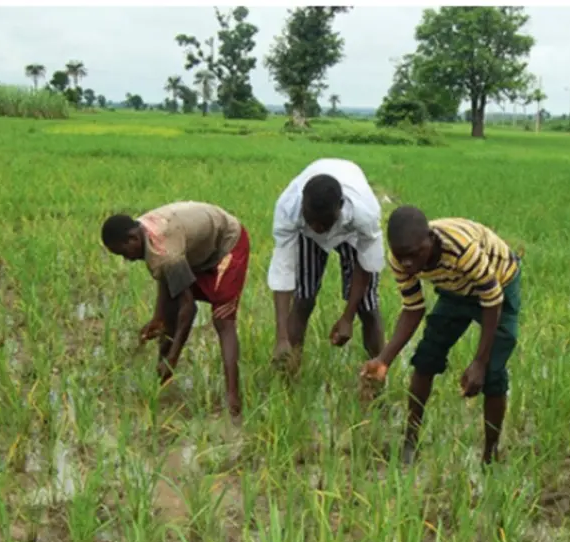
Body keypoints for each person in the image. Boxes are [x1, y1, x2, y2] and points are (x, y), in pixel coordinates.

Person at [360, 206, 522, 467]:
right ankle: (410, 440)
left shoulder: (461, 250)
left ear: (431, 239)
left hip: (499, 284)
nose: (408, 264)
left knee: (493, 372)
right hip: (454, 289)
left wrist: (479, 362)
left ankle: (490, 454)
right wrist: (383, 360)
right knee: (425, 358)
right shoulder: (400, 259)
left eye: (415, 254)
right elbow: (413, 308)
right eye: (402, 256)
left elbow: (492, 301)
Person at [101, 201, 250, 422]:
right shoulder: (144, 232)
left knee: (223, 319)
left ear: (133, 239)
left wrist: (174, 357)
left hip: (226, 244)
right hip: (197, 248)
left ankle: (233, 399)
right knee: (169, 312)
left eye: (123, 253)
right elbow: (168, 279)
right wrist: (158, 317)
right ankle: (162, 382)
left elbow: (188, 309)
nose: (127, 259)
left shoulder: (165, 251)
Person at [267, 158, 386, 373]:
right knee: (303, 298)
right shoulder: (289, 209)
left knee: (367, 306)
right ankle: (288, 374)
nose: (317, 228)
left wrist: (348, 317)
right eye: (311, 220)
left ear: (340, 207)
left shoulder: (364, 213)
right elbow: (283, 270)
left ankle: (376, 375)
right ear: (302, 206)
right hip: (306, 235)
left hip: (350, 233)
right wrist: (281, 337)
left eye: (324, 223)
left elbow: (367, 263)